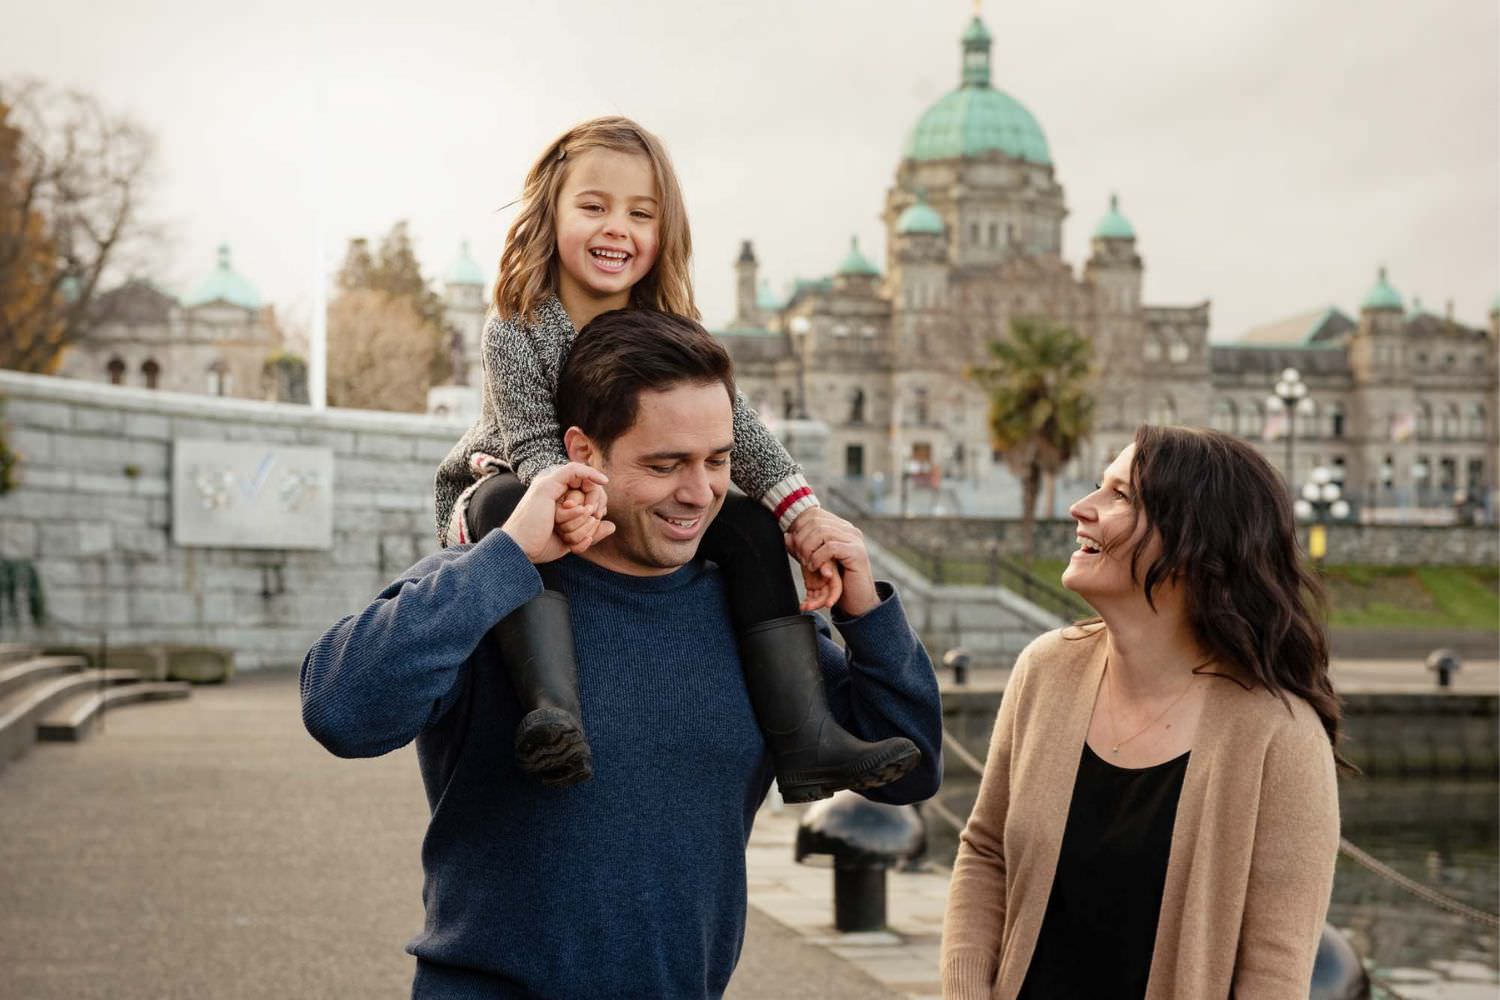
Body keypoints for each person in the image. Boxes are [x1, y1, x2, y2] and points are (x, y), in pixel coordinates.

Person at [303, 309, 943, 999]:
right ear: (582, 451)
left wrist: (866, 612)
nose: (699, 493)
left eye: (719, 461)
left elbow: (908, 767)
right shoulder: (493, 592)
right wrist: (506, 556)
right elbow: (341, 709)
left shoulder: (754, 619)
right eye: (665, 464)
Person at [432, 115, 918, 799]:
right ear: (551, 214)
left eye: (640, 213)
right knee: (509, 505)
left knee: (749, 529)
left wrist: (799, 513)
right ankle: (552, 713)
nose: (616, 229)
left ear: (664, 230)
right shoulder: (517, 326)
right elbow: (533, 440)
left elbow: (741, 435)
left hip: (630, 494)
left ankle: (807, 738)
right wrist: (567, 499)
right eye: (593, 207)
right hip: (516, 482)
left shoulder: (675, 331)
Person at [940, 425, 1343, 1000]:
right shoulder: (1045, 669)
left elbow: (1274, 976)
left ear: (1195, 545)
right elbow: (985, 852)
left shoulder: (1281, 737)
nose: (1081, 509)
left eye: (1120, 495)